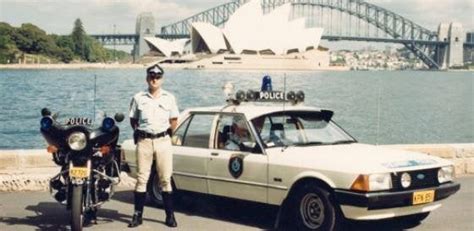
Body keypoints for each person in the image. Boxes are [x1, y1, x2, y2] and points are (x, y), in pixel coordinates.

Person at [128, 64, 179, 228]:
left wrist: (165, 136)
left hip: (163, 141)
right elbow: (133, 120)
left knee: (165, 179)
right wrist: (141, 133)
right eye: (151, 76)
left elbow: (174, 121)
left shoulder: (169, 98)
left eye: (157, 76)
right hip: (144, 141)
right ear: (147, 78)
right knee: (142, 179)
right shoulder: (138, 98)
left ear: (162, 79)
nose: (154, 79)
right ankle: (137, 215)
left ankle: (170, 216)